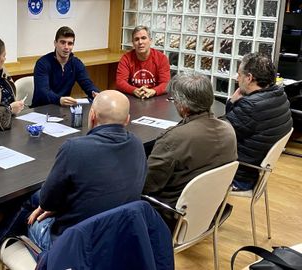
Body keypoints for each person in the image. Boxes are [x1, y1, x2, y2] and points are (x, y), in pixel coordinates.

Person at [27, 90, 147, 250]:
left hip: (74, 245)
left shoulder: (74, 148)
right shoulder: (137, 144)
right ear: (127, 120)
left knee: (32, 216)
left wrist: (53, 207)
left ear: (92, 115)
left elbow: (47, 202)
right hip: (118, 237)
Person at [142, 73, 237, 230]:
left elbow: (147, 186)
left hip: (171, 216)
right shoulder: (228, 129)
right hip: (209, 209)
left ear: (182, 105)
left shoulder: (174, 138)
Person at [225, 52, 292, 191]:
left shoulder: (250, 107)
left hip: (239, 176)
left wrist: (231, 102)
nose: (237, 78)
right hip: (256, 171)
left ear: (249, 78)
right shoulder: (280, 95)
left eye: (239, 74)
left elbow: (222, 135)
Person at [31, 26, 99, 107]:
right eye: (63, 42)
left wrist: (95, 93)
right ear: (55, 43)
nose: (66, 47)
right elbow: (43, 92)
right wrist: (59, 99)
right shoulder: (43, 63)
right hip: (41, 110)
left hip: (63, 109)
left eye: (70, 43)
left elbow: (87, 84)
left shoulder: (76, 63)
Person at [116, 25, 170, 99]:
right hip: (133, 97)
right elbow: (120, 82)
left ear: (150, 41)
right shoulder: (126, 58)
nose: (140, 42)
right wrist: (134, 90)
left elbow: (166, 83)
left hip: (155, 97)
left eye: (143, 38)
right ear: (133, 43)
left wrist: (153, 91)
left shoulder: (161, 58)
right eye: (136, 39)